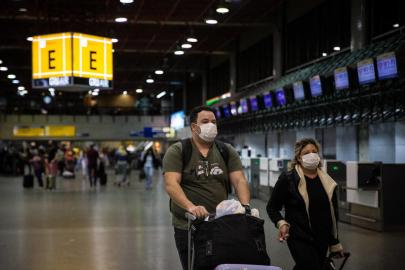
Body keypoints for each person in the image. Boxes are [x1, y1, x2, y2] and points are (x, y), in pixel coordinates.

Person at [163, 105, 251, 270]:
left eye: (213, 122)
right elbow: (171, 184)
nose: (211, 125)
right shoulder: (178, 150)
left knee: (221, 266)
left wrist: (245, 206)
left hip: (221, 224)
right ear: (194, 127)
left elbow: (239, 180)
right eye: (205, 121)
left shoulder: (226, 150)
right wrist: (191, 207)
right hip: (189, 226)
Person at [266, 138, 344, 270]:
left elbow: (332, 215)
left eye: (314, 151)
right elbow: (272, 207)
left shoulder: (327, 182)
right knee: (309, 266)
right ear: (299, 157)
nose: (311, 155)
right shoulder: (288, 179)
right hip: (299, 237)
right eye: (306, 152)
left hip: (322, 237)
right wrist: (281, 223)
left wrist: (334, 242)